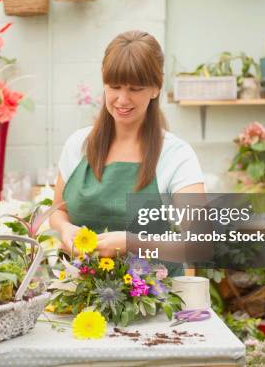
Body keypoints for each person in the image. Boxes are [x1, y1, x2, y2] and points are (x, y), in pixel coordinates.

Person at [50, 30, 205, 270]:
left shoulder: (175, 156)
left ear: (155, 88)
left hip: (154, 301)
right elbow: (58, 211)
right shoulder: (78, 145)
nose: (122, 99)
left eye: (135, 89)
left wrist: (131, 243)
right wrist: (65, 229)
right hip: (81, 293)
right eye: (114, 86)